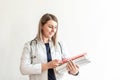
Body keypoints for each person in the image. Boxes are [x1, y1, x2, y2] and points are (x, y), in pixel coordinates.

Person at [20, 13, 79, 80]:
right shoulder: (30, 45)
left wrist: (74, 72)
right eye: (50, 27)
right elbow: (23, 69)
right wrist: (47, 65)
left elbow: (67, 64)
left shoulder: (60, 44)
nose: (53, 30)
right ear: (42, 26)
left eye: (55, 27)